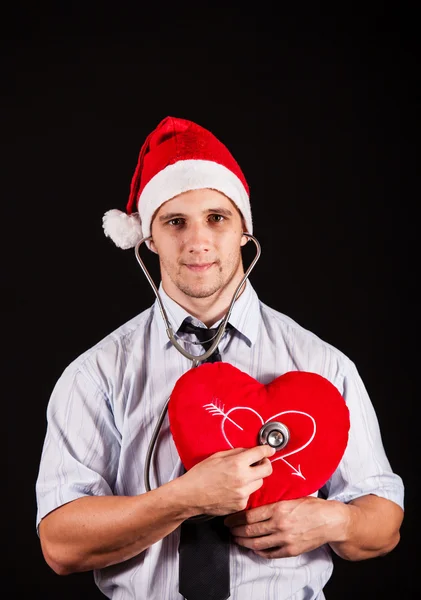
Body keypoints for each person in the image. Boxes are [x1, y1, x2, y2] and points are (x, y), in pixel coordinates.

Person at [35, 115, 404, 600]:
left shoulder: (323, 364)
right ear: (148, 238)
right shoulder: (97, 374)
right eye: (174, 222)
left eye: (217, 217)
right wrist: (184, 499)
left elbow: (384, 528)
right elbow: (61, 546)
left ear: (245, 231)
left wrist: (335, 519)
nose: (198, 242)